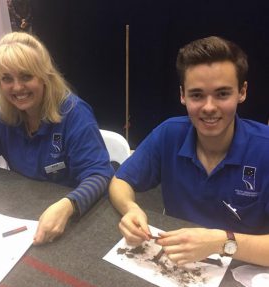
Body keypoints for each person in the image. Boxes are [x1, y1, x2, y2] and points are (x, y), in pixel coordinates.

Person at [109, 36, 269, 267]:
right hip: (179, 266)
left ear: (242, 92)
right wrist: (131, 209)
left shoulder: (264, 148)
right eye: (197, 95)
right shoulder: (169, 134)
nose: (209, 107)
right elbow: (120, 182)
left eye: (222, 94)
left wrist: (221, 242)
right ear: (183, 95)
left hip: (245, 273)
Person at [0, 32, 114, 245]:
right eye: (7, 79)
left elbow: (100, 174)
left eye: (26, 76)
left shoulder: (74, 113)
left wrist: (68, 205)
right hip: (24, 213)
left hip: (76, 218)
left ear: (45, 76)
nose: (17, 88)